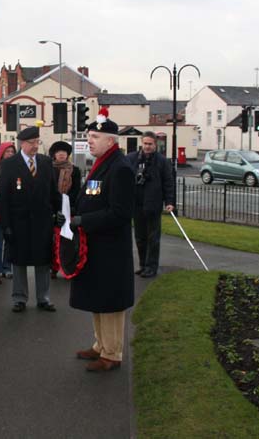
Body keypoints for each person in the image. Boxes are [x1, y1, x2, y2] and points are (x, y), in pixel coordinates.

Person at [69, 108, 135, 372]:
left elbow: (120, 213)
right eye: (89, 136)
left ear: (111, 140)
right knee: (98, 298)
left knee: (110, 302)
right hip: (95, 245)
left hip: (110, 248)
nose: (90, 141)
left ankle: (112, 353)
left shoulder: (120, 168)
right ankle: (100, 345)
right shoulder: (101, 164)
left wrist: (84, 221)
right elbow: (92, 198)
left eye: (95, 136)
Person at [0, 126, 61, 313]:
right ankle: (19, 298)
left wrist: (60, 212)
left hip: (42, 221)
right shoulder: (9, 165)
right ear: (22, 144)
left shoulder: (46, 162)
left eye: (37, 142)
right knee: (19, 261)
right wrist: (6, 225)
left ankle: (43, 297)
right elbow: (4, 197)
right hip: (19, 222)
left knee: (43, 260)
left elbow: (53, 192)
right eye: (32, 143)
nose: (35, 146)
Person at [126, 131, 175, 278]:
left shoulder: (162, 161)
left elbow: (168, 183)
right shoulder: (132, 158)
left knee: (153, 238)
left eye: (150, 144)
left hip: (153, 204)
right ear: (142, 143)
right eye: (145, 143)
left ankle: (152, 266)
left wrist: (169, 202)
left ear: (155, 144)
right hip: (136, 203)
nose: (147, 146)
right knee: (140, 237)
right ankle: (142, 265)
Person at [49, 140, 82, 278]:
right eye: (58, 152)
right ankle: (53, 267)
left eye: (64, 152)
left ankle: (67, 266)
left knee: (67, 239)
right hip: (52, 208)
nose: (62, 154)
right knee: (51, 240)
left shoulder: (75, 170)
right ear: (54, 155)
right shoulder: (49, 169)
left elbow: (77, 189)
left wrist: (68, 204)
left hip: (69, 208)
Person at [0, 141, 16, 278]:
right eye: (7, 152)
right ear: (2, 153)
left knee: (10, 242)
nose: (10, 154)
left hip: (11, 210)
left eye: (12, 152)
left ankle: (7, 267)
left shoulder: (17, 168)